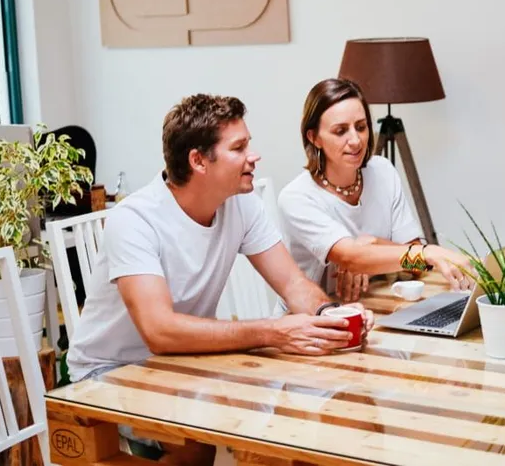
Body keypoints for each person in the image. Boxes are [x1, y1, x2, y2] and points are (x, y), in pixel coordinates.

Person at [67, 93, 374, 383]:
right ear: (198, 161)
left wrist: (331, 315)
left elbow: (293, 284)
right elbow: (159, 331)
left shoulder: (241, 202)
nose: (253, 156)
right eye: (238, 148)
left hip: (184, 361)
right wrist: (273, 332)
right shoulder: (134, 220)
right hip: (108, 372)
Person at [275, 78, 472, 310]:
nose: (356, 140)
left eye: (361, 127)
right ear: (313, 137)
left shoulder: (383, 171)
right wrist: (427, 252)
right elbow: (352, 258)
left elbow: (415, 266)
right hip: (310, 319)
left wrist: (373, 246)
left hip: (371, 307)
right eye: (340, 131)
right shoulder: (297, 197)